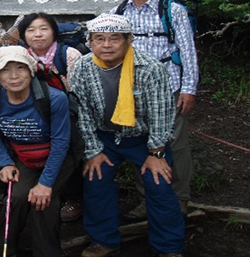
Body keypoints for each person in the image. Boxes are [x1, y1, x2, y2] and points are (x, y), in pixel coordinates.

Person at [70, 14, 185, 257]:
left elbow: (161, 113)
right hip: (105, 137)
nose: (107, 45)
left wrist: (157, 152)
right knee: (96, 182)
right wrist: (93, 150)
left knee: (159, 186)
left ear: (129, 39)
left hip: (144, 139)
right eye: (99, 39)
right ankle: (104, 241)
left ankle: (169, 247)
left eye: (115, 39)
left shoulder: (150, 68)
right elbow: (84, 112)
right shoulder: (82, 67)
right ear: (90, 42)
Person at [111, 0, 199, 218]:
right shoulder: (119, 11)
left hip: (169, 86)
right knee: (142, 144)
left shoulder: (172, 10)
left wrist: (188, 89)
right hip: (132, 90)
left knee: (175, 143)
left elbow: (188, 52)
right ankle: (147, 199)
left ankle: (180, 199)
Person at [0, 46, 75, 257]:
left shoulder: (54, 98)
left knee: (43, 201)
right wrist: (6, 163)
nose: (13, 76)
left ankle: (48, 252)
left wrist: (45, 183)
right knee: (17, 197)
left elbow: (60, 142)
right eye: (5, 70)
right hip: (26, 157)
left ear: (31, 70)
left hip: (60, 156)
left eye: (20, 68)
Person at [17, 12, 83, 222]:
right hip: (30, 117)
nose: (38, 35)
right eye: (31, 30)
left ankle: (73, 198)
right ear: (23, 35)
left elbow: (80, 93)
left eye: (44, 29)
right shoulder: (18, 56)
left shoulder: (69, 55)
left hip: (66, 115)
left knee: (69, 149)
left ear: (54, 32)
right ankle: (17, 194)